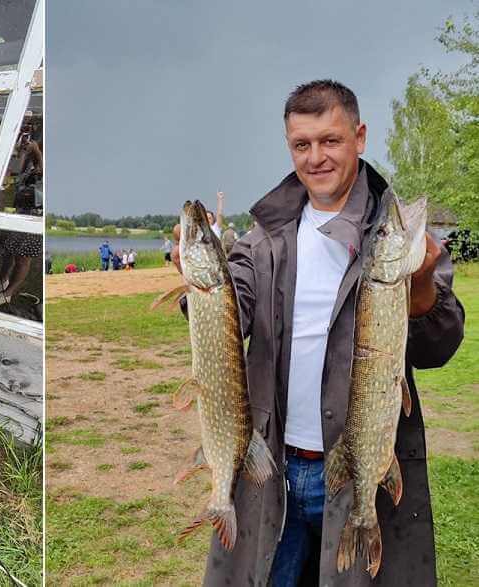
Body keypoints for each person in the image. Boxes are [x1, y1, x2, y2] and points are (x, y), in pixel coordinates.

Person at [172, 80, 463, 586]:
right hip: (271, 467)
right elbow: (233, 309)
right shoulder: (264, 237)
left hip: (356, 466)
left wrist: (421, 292)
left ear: (360, 136)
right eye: (301, 145)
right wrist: (200, 287)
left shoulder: (395, 238)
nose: (316, 157)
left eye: (330, 140)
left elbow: (439, 348)